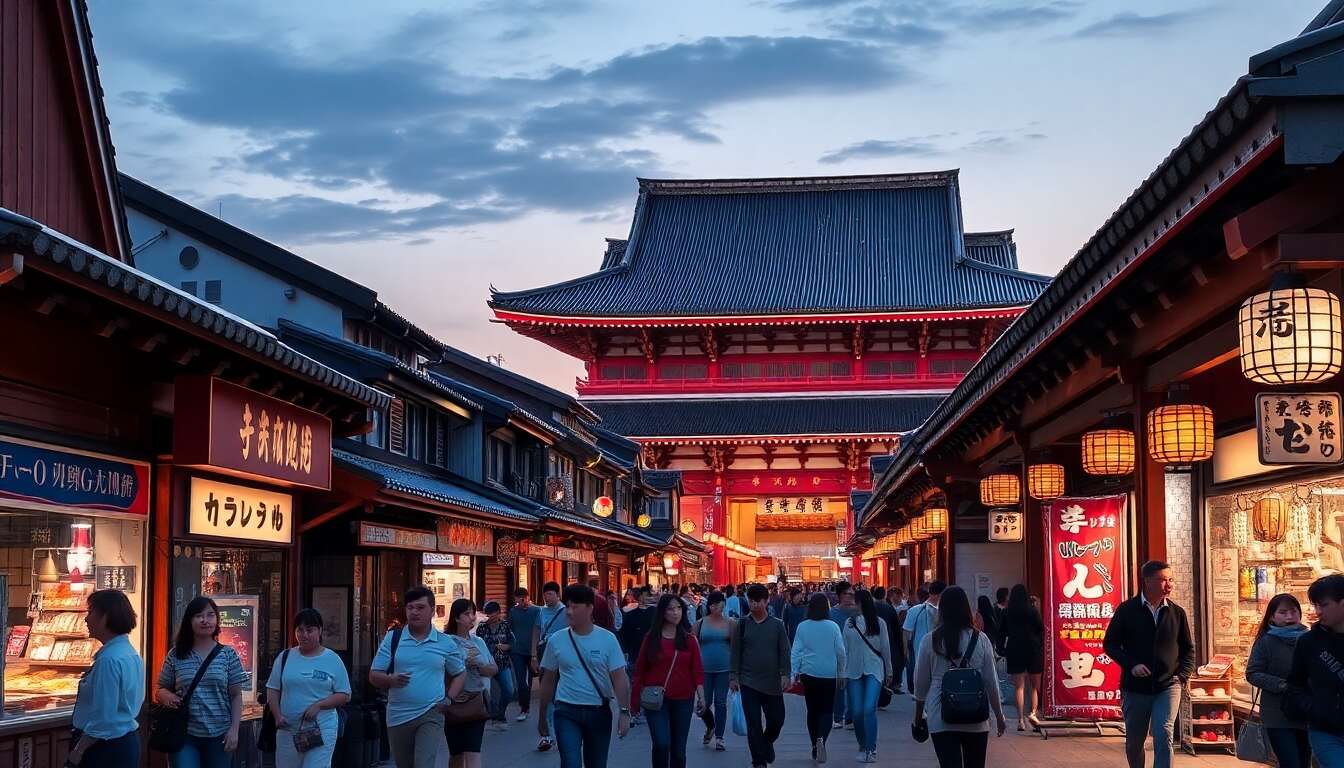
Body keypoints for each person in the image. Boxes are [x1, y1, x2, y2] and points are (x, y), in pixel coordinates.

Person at [1102, 561, 1195, 768]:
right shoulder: (1127, 610)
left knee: (1164, 733)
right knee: (1134, 742)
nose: (1169, 585)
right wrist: (1131, 665)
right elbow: (1110, 644)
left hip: (1168, 685)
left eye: (1171, 579)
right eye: (1163, 580)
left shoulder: (1176, 612)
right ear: (1147, 581)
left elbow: (1188, 649)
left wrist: (1182, 675)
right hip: (1135, 687)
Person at [369, 586, 468, 768]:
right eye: (410, 607)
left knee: (424, 764)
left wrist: (449, 698)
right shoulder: (393, 639)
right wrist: (390, 680)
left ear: (432, 610)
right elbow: (374, 675)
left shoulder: (445, 642)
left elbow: (460, 673)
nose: (414, 612)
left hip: (431, 712)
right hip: (398, 715)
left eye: (420, 607)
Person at [537, 584, 632, 768]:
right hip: (566, 710)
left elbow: (620, 678)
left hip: (598, 712)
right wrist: (542, 717)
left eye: (575, 607)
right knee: (570, 762)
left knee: (596, 763)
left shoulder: (607, 639)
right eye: (567, 606)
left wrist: (624, 712)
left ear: (590, 608)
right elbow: (547, 680)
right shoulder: (556, 640)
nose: (569, 612)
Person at [913, 586, 1007, 768]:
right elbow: (991, 681)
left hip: (941, 714)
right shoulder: (981, 639)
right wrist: (999, 715)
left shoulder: (930, 640)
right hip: (976, 716)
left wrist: (918, 716)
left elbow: (921, 684)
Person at [155, 596, 249, 768]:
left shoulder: (228, 654)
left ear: (217, 620)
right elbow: (160, 689)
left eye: (210, 615)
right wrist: (167, 697)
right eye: (199, 616)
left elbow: (236, 695)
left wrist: (234, 730)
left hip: (220, 735)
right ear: (189, 621)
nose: (205, 620)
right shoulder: (176, 654)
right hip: (184, 734)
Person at [265, 609, 352, 768]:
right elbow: (272, 689)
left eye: (309, 630)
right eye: (300, 630)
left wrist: (319, 705)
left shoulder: (332, 659)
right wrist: (277, 715)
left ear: (320, 631)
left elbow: (344, 694)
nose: (304, 634)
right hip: (288, 730)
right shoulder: (285, 657)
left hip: (321, 729)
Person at [69, 589, 143, 768]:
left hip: (103, 748)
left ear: (105, 617)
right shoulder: (129, 653)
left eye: (91, 612)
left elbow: (103, 718)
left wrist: (78, 751)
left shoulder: (109, 660)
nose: (86, 619)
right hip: (123, 742)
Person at [633, 594, 705, 768]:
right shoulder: (651, 639)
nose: (676, 613)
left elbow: (697, 670)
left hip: (683, 699)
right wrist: (632, 704)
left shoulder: (689, 639)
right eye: (671, 609)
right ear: (662, 613)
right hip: (656, 699)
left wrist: (701, 697)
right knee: (661, 743)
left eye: (679, 608)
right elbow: (639, 671)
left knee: (679, 750)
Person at [730, 584, 791, 768]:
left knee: (777, 720)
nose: (754, 604)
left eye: (758, 601)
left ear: (766, 601)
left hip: (772, 683)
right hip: (748, 682)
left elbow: (784, 651)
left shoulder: (777, 625)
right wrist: (733, 676)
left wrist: (785, 674)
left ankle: (766, 742)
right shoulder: (741, 624)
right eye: (751, 601)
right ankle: (758, 761)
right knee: (753, 724)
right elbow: (735, 652)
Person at [1246, 593, 1310, 768]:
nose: (1289, 616)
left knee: (1304, 762)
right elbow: (1253, 673)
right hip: (1277, 715)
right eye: (1283, 612)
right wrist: (1283, 685)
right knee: (1290, 763)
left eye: (1293, 611)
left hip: (1307, 712)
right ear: (1272, 617)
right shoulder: (1266, 642)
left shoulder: (1310, 639)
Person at [1285, 574, 1344, 764]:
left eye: (1324, 605)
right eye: (1315, 605)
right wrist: (1314, 708)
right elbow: (1295, 683)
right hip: (1325, 731)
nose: (1318, 611)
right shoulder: (1309, 642)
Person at [791, 592, 846, 763]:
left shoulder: (803, 626)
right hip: (829, 673)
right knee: (827, 710)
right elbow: (841, 652)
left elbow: (796, 652)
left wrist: (794, 672)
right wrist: (841, 672)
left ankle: (814, 744)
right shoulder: (833, 627)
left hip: (809, 673)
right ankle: (822, 738)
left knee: (812, 711)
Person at [445, 599, 496, 768]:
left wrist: (479, 665)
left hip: (476, 702)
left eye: (473, 613)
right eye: (467, 614)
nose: (472, 617)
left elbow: (493, 669)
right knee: (456, 755)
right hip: (454, 704)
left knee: (473, 752)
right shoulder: (446, 642)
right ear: (456, 618)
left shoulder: (478, 642)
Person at [844, 589, 893, 763]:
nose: (852, 605)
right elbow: (845, 649)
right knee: (856, 711)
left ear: (860, 603)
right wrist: (842, 672)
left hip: (874, 668)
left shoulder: (879, 623)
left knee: (869, 708)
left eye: (854, 601)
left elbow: (886, 648)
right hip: (853, 670)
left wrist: (889, 670)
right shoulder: (849, 623)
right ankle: (862, 745)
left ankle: (871, 748)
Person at [1001, 583, 1045, 731]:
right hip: (1033, 649)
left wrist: (1001, 649)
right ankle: (1033, 714)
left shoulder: (1007, 612)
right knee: (1034, 687)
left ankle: (1020, 720)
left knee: (1019, 687)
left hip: (1014, 649)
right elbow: (1041, 629)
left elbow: (1001, 632)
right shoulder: (1032, 611)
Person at [694, 590, 735, 750]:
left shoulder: (730, 623)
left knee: (720, 702)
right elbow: (693, 646)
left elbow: (734, 647)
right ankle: (710, 726)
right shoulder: (700, 623)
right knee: (704, 704)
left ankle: (719, 737)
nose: (720, 608)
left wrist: (734, 673)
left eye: (722, 605)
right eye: (717, 605)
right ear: (710, 606)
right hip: (704, 670)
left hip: (724, 670)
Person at [533, 581, 570, 750]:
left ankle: (562, 729)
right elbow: (536, 632)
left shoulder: (566, 612)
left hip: (563, 656)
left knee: (560, 694)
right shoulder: (541, 612)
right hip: (545, 654)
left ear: (558, 595)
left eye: (550, 594)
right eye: (545, 594)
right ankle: (547, 735)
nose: (547, 598)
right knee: (547, 693)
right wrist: (533, 655)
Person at [618, 586, 654, 725]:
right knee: (636, 684)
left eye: (647, 595)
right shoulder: (631, 614)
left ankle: (645, 709)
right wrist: (625, 651)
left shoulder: (655, 613)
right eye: (644, 595)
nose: (645, 598)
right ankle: (636, 710)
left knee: (646, 683)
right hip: (635, 654)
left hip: (651, 655)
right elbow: (624, 635)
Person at [477, 601, 515, 730]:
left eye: (492, 615)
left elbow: (513, 642)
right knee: (488, 693)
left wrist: (507, 646)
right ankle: (494, 716)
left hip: (502, 663)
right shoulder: (481, 627)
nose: (489, 618)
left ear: (498, 613)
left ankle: (500, 712)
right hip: (486, 665)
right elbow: (477, 645)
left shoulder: (505, 626)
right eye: (487, 615)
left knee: (509, 690)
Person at [828, 582, 860, 729]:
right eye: (849, 594)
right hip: (836, 654)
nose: (851, 597)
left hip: (855, 653)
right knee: (839, 686)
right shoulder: (831, 613)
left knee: (853, 685)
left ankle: (850, 717)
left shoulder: (858, 612)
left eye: (853, 594)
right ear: (840, 596)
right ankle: (838, 716)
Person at [508, 588, 540, 724]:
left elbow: (540, 629)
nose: (520, 602)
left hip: (532, 650)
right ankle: (524, 708)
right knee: (521, 681)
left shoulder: (537, 611)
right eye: (517, 600)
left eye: (522, 599)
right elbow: (509, 629)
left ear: (527, 597)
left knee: (530, 680)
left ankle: (527, 705)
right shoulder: (513, 611)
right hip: (517, 651)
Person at [904, 581, 942, 695]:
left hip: (923, 652)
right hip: (925, 653)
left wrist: (905, 652)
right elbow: (906, 633)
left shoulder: (914, 610)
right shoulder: (916, 610)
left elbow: (906, 633)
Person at [873, 586, 905, 696]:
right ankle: (891, 683)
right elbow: (896, 628)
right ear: (885, 595)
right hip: (889, 639)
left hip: (872, 640)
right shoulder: (888, 608)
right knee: (890, 660)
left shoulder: (870, 607)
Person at [993, 588, 1010, 655]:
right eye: (1008, 595)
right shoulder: (996, 610)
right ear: (1005, 597)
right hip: (999, 642)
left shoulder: (1008, 609)